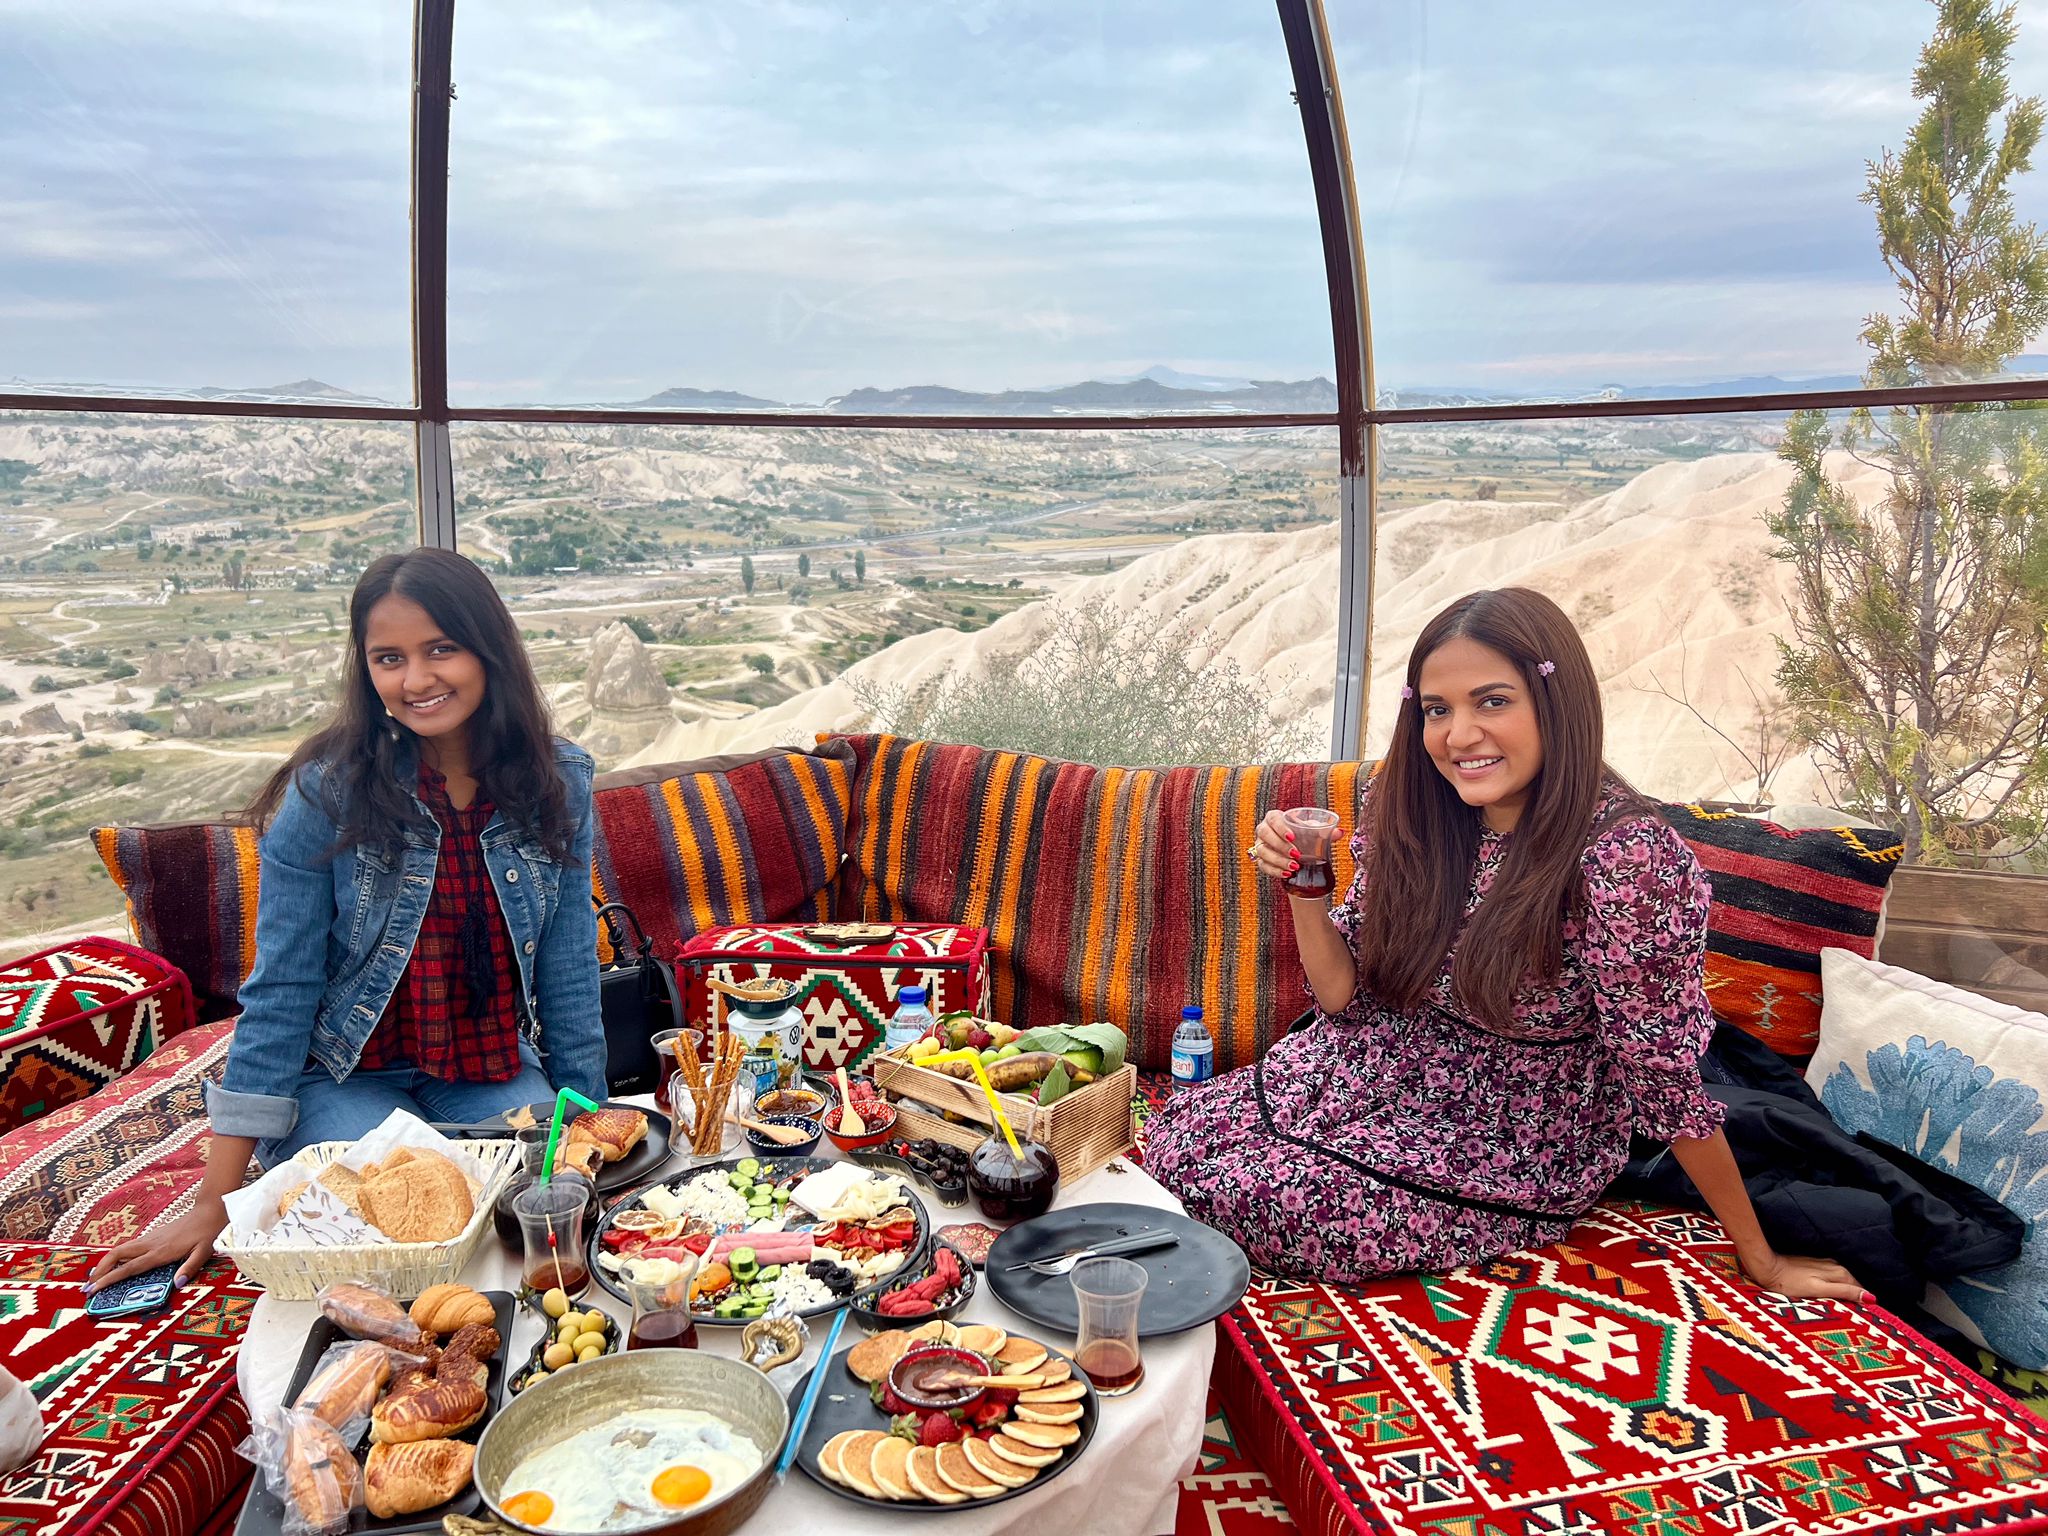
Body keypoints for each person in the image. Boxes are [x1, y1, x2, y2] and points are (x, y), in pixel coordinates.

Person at [1144, 587, 1864, 1302]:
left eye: (1492, 701)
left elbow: (1663, 1079)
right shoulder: (1418, 808)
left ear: (1556, 702)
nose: (1459, 736)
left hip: (1512, 1132)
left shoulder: (1626, 860)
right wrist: (1305, 885)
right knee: (1180, 1139)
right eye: (1437, 710)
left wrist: (1762, 1259)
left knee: (1274, 1206)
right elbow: (1342, 999)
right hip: (1376, 1067)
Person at [88, 548, 607, 1293]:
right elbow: (282, 991)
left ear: (489, 649)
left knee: (542, 1212)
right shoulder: (328, 794)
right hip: (340, 1073)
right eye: (389, 658)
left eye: (440, 649)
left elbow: (568, 969)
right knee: (398, 1230)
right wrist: (214, 1203)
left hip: (485, 1063)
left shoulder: (558, 781)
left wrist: (591, 1126)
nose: (416, 680)